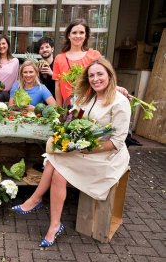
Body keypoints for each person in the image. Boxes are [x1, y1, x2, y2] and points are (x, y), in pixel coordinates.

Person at [11, 57, 131, 247]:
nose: (95, 79)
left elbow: (116, 142)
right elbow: (74, 116)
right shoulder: (89, 97)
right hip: (84, 148)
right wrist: (65, 126)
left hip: (107, 155)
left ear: (110, 75)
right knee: (57, 164)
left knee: (57, 164)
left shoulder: (120, 102)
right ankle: (52, 222)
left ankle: (36, 201)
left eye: (100, 74)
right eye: (91, 75)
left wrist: (81, 148)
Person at [53, 19, 101, 107]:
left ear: (86, 35)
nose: (78, 36)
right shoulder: (59, 58)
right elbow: (58, 87)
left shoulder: (94, 55)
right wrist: (59, 109)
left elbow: (102, 80)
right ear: (69, 35)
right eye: (74, 32)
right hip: (68, 107)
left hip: (90, 105)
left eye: (81, 32)